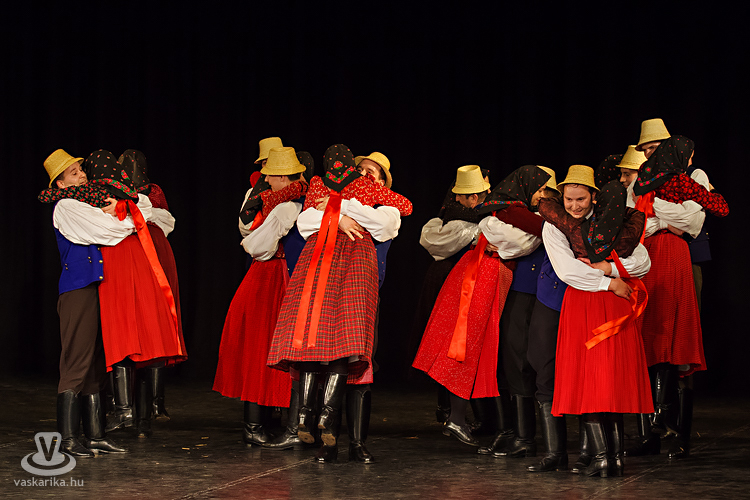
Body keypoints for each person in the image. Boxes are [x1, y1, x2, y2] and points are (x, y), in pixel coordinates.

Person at [267, 144, 412, 463]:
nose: (365, 174)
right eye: (362, 168)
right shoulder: (335, 191)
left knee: (358, 364)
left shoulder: (385, 206)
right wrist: (340, 217)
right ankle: (327, 440)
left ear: (382, 182)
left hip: (361, 290)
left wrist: (341, 208)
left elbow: (383, 227)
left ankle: (357, 443)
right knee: (318, 351)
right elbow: (306, 223)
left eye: (373, 172)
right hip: (326, 283)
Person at [413, 165, 550, 448]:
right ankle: (462, 418)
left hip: (479, 273)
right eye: (539, 190)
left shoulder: (504, 212)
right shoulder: (502, 213)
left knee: (471, 345)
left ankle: (473, 419)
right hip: (483, 275)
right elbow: (519, 243)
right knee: (469, 344)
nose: (542, 195)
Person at [541, 166, 653, 478]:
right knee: (587, 380)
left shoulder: (612, 219)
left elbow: (642, 260)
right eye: (568, 199)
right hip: (585, 300)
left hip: (612, 302)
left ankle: (612, 459)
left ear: (593, 196)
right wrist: (608, 282)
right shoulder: (554, 225)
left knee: (609, 381)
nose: (574, 206)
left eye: (580, 199)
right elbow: (567, 270)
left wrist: (609, 269)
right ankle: (604, 458)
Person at [628, 135, 729, 460]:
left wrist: (654, 209)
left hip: (680, 260)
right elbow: (634, 221)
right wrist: (661, 219)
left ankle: (679, 433)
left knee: (679, 339)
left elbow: (692, 222)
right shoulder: (643, 178)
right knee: (649, 339)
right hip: (646, 257)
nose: (649, 152)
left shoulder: (692, 176)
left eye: (655, 147)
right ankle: (651, 431)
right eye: (646, 149)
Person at [40, 149, 132, 457]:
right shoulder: (66, 206)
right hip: (77, 290)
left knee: (95, 363)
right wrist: (128, 219)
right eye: (74, 173)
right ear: (61, 184)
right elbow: (108, 230)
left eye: (81, 170)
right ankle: (67, 438)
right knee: (76, 361)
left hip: (95, 289)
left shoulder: (85, 203)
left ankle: (95, 435)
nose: (82, 175)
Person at [214, 147, 308, 446]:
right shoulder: (305, 200)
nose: (266, 180)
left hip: (271, 277)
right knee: (285, 351)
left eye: (270, 175)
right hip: (291, 277)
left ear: (283, 177)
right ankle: (279, 424)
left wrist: (252, 241)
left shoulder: (284, 207)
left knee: (259, 348)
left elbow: (257, 247)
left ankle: (255, 426)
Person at [409, 167, 493, 433]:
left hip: (459, 279)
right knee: (452, 344)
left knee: (457, 345)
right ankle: (451, 410)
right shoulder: (459, 219)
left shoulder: (475, 218)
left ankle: (459, 412)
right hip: (450, 279)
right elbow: (432, 243)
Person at [117, 150, 184, 435]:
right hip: (153, 247)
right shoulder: (152, 192)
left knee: (143, 323)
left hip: (144, 248)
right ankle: (153, 405)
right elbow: (167, 223)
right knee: (152, 322)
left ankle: (143, 405)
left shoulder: (139, 192)